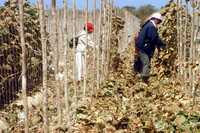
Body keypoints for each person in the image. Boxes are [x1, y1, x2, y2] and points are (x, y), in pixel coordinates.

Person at [135, 12, 166, 83]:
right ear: (155, 19)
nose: (158, 22)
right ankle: (144, 80)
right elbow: (154, 38)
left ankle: (138, 76)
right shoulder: (151, 26)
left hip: (142, 47)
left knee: (142, 62)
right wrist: (162, 44)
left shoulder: (148, 25)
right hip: (144, 48)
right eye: (158, 20)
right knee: (146, 63)